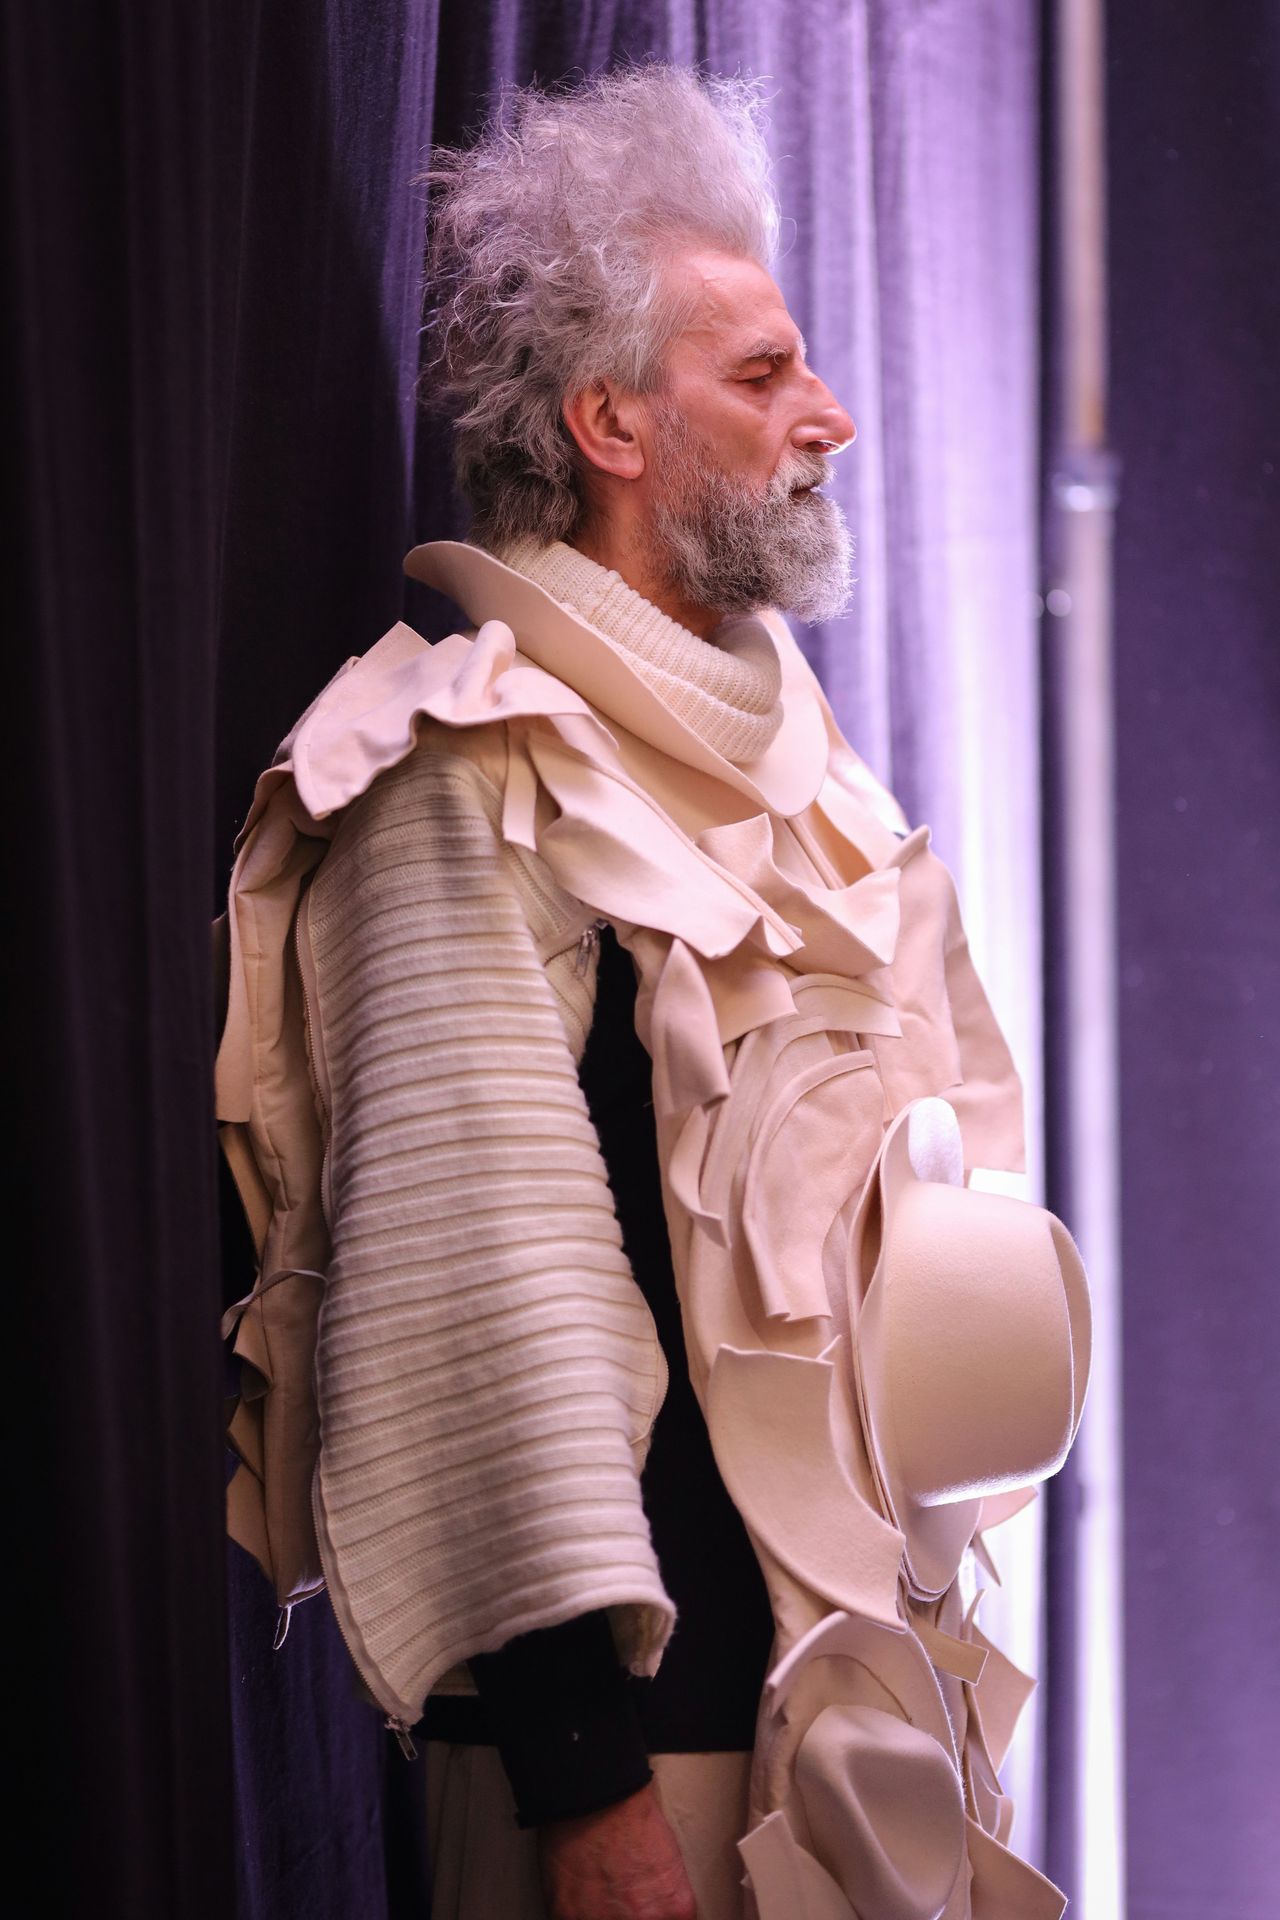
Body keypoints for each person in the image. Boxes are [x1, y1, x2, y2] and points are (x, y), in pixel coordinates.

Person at [216, 62, 1089, 1920]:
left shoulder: (810, 776)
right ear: (610, 421)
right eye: (762, 375)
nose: (827, 417)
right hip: (634, 1766)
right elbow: (472, 1290)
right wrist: (586, 1788)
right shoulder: (460, 771)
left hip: (860, 1714)